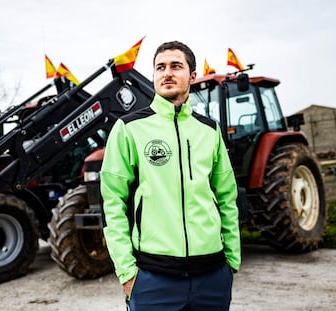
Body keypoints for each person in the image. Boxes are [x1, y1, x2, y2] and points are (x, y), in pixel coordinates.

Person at [100, 40, 241, 311]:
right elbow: (112, 203)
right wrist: (127, 273)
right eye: (160, 67)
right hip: (153, 279)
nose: (167, 73)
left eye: (176, 66)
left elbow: (227, 196)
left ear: (192, 76)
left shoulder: (210, 131)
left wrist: (231, 261)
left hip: (212, 276)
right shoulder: (129, 128)